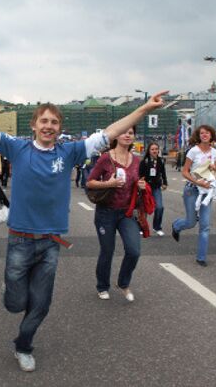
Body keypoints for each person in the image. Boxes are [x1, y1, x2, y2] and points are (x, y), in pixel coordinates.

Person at [0, 75, 166, 372]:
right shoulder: (17, 148)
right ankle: (10, 290)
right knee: (14, 303)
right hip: (20, 239)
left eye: (54, 122)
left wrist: (144, 109)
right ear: (34, 126)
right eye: (44, 121)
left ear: (59, 128)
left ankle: (23, 345)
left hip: (51, 241)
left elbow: (111, 131)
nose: (49, 126)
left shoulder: (71, 151)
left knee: (41, 304)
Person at [87, 127, 147, 302]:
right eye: (124, 132)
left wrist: (141, 185)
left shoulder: (136, 160)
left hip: (127, 213)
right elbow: (90, 182)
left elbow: (136, 183)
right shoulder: (106, 158)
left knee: (134, 250)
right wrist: (108, 183)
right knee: (107, 251)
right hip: (106, 212)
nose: (128, 135)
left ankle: (123, 283)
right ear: (116, 136)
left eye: (131, 132)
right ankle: (102, 286)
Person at [171, 125, 216, 267]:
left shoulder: (215, 152)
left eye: (207, 133)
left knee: (205, 226)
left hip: (206, 191)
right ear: (198, 136)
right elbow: (185, 172)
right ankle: (177, 225)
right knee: (191, 222)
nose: (204, 135)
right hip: (192, 190)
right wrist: (196, 181)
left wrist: (213, 174)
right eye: (202, 133)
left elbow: (214, 171)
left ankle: (201, 257)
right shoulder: (193, 151)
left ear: (211, 135)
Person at [139, 142, 168, 236]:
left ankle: (157, 227)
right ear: (149, 150)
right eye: (152, 149)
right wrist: (141, 182)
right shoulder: (145, 161)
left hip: (156, 187)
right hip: (146, 187)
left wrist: (165, 183)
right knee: (144, 208)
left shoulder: (161, 161)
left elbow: (163, 173)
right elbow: (140, 174)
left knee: (159, 207)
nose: (154, 151)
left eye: (156, 149)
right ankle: (142, 227)